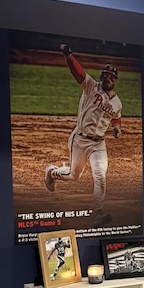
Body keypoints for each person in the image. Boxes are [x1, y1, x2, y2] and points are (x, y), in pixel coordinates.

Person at [44, 42, 122, 227]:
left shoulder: (117, 102)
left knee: (100, 176)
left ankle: (99, 212)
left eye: (111, 77)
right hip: (80, 140)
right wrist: (69, 56)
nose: (108, 79)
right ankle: (52, 172)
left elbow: (116, 118)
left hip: (99, 144)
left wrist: (117, 127)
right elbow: (78, 73)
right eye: (106, 76)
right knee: (73, 175)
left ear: (115, 80)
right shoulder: (91, 87)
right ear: (101, 77)